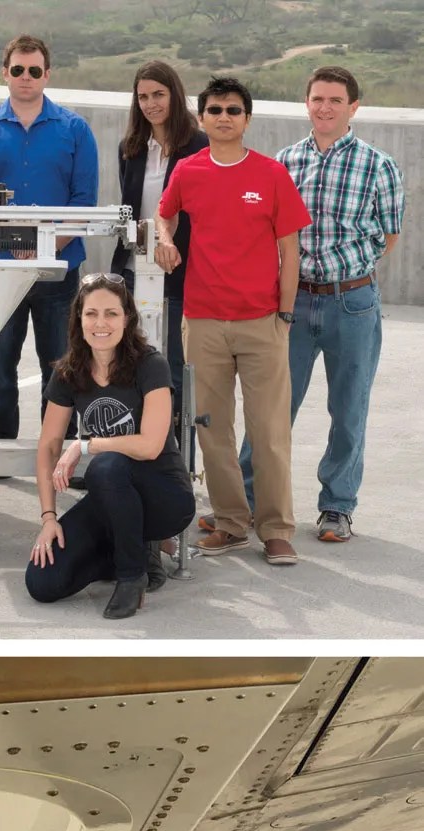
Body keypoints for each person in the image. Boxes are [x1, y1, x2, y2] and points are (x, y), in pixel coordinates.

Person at [238, 65, 405, 544]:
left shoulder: (379, 165)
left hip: (352, 304)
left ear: (354, 107)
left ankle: (336, 506)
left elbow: (388, 236)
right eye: (318, 99)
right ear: (306, 104)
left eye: (335, 100)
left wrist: (346, 267)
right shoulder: (284, 162)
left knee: (349, 408)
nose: (325, 107)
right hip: (293, 301)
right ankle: (250, 501)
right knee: (271, 408)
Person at [156, 76, 310, 566]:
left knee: (268, 432)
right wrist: (165, 238)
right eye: (215, 109)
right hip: (201, 320)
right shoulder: (187, 169)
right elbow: (164, 215)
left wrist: (284, 314)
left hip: (262, 320)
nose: (224, 117)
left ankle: (277, 529)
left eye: (234, 110)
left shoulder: (270, 174)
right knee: (211, 429)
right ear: (201, 118)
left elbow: (291, 249)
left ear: (247, 118)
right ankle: (229, 523)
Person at [0, 34, 98, 488]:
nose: (25, 77)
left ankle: (59, 458)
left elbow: (84, 200)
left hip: (57, 269)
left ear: (47, 75)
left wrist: (47, 245)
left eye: (34, 70)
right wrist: (11, 241)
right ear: (4, 72)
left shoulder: (75, 129)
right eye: (17, 69)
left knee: (60, 361)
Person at [24, 274, 195, 619]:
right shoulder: (69, 372)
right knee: (43, 583)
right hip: (113, 497)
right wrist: (48, 518)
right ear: (79, 319)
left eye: (111, 314)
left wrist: (86, 446)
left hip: (164, 496)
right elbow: (48, 446)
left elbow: (149, 446)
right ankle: (132, 550)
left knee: (106, 464)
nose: (101, 323)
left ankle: (132, 577)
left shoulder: (150, 365)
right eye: (91, 314)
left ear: (127, 319)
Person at [110, 61, 208, 433]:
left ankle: (176, 460)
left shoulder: (198, 144)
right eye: (143, 97)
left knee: (176, 372)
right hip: (134, 272)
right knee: (130, 368)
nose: (151, 104)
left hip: (181, 272)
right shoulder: (130, 147)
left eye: (159, 95)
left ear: (175, 94)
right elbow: (130, 208)